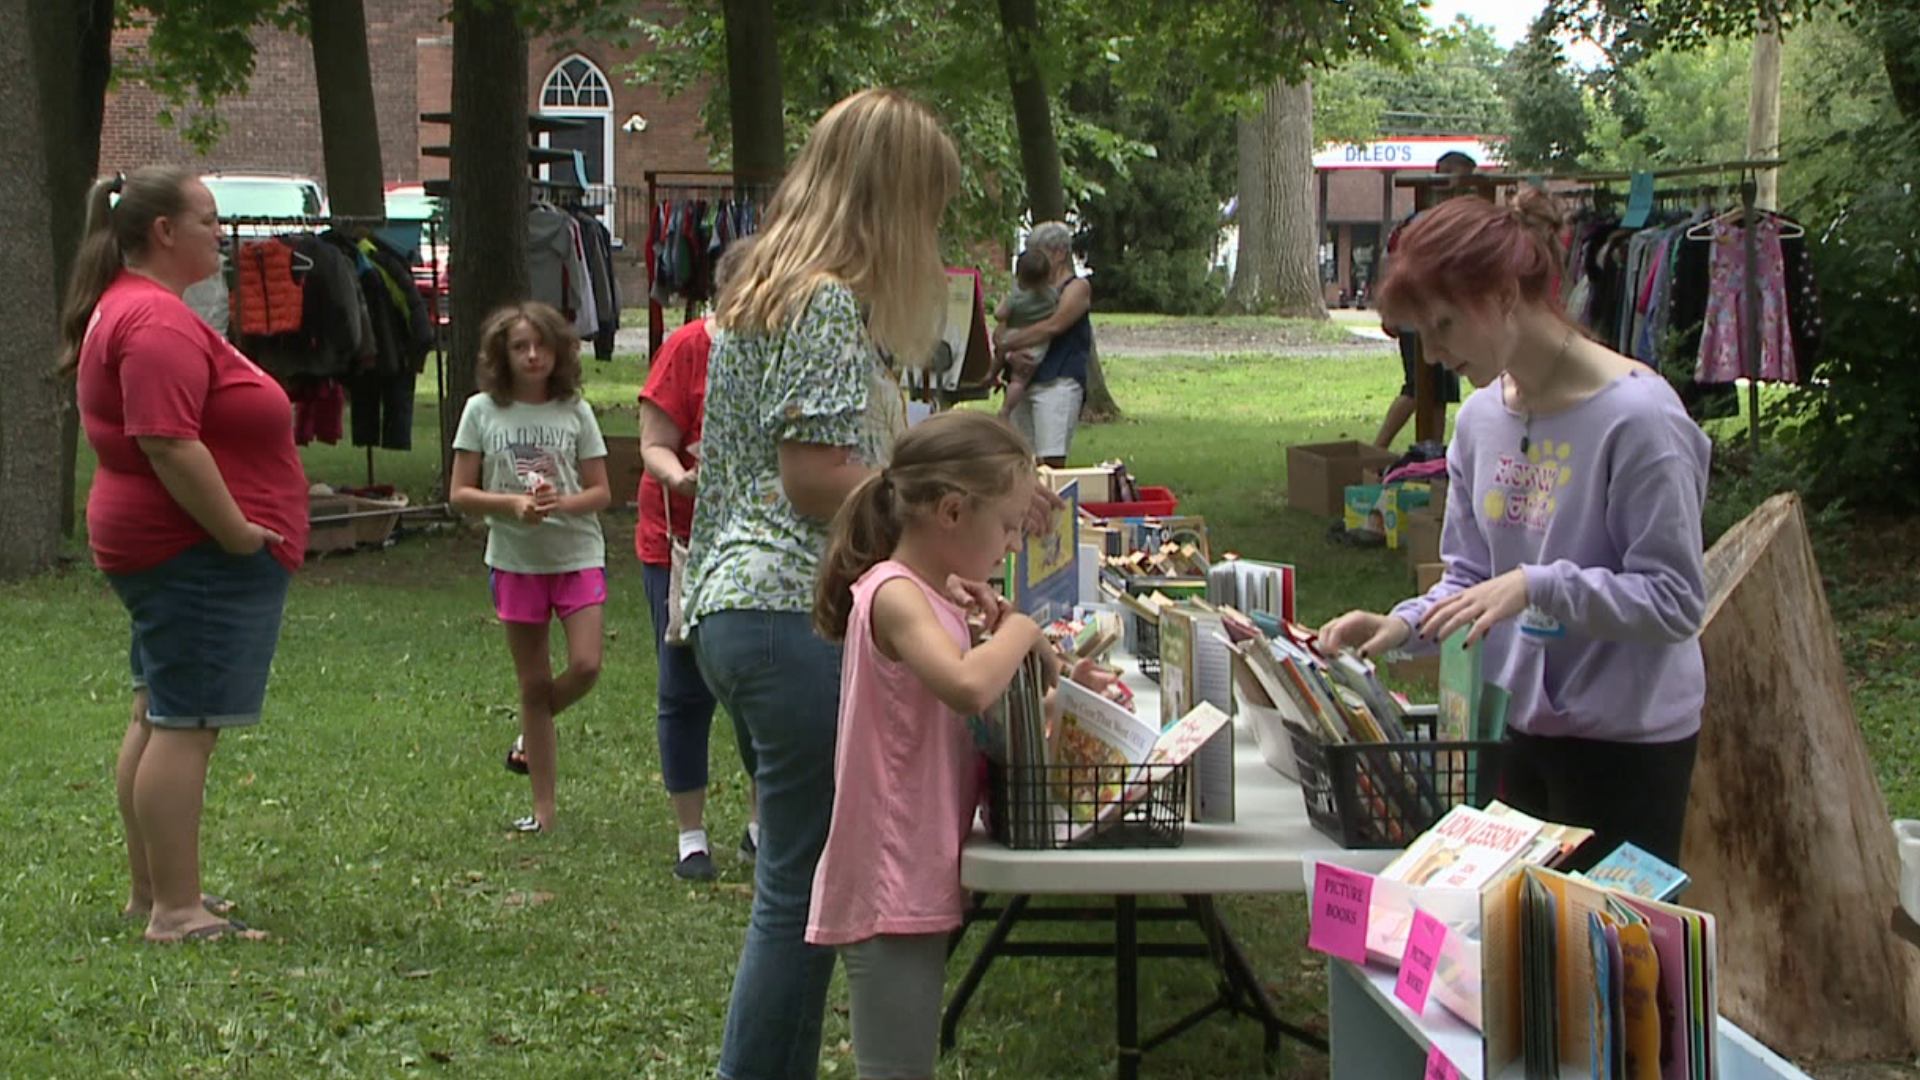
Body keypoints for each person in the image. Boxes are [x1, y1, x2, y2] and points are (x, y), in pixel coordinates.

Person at [682, 87, 990, 1080]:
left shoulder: (774, 290)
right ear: (889, 199)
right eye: (929, 206)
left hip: (741, 609)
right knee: (804, 885)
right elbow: (815, 476)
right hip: (784, 613)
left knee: (794, 873)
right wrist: (936, 510)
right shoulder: (819, 299)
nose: (933, 231)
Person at [1319, 187, 1711, 871]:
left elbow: (1676, 601)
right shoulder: (1480, 420)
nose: (1434, 356)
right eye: (1422, 337)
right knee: (1518, 960)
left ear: (1503, 294)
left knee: (1613, 970)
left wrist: (1539, 585)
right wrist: (1404, 624)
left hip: (1627, 748)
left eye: (1442, 326)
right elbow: (1473, 578)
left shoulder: (1641, 419)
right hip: (1514, 731)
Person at [61, 166, 309, 943]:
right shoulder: (156, 322)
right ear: (163, 232)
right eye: (207, 220)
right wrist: (237, 530)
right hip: (191, 551)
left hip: (162, 547)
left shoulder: (129, 309)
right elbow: (168, 443)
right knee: (184, 723)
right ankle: (176, 911)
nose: (220, 234)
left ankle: (155, 893)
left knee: (158, 710)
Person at [805, 411, 1059, 1080]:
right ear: (951, 511)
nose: (1010, 545)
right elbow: (967, 687)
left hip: (918, 864)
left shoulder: (936, 598)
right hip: (890, 874)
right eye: (1006, 526)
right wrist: (1022, 630)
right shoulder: (894, 594)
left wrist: (1012, 643)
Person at [450, 302, 611, 834]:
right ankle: (543, 812)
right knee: (533, 684)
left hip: (577, 555)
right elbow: (460, 493)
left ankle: (530, 730)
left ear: (559, 350)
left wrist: (558, 503)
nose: (532, 355)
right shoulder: (481, 411)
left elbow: (601, 492)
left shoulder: (575, 411)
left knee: (586, 666)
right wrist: (512, 505)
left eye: (541, 344)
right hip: (516, 561)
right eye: (520, 346)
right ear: (503, 354)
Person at [637, 239, 760, 881]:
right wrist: (684, 478)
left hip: (757, 545)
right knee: (683, 687)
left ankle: (762, 825)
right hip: (679, 544)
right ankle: (691, 835)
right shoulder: (688, 348)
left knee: (760, 685)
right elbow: (653, 445)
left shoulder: (787, 351)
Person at [1372, 150, 1480, 449]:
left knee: (1439, 390)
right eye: (1466, 186)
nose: (1469, 193)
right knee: (1418, 387)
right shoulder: (1428, 222)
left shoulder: (1423, 220)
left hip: (1433, 318)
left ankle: (1433, 449)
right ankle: (1377, 447)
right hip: (1419, 319)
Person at [995, 220, 1093, 467]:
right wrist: (1008, 355)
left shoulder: (1077, 288)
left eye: (1040, 251)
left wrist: (1008, 343)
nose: (1034, 258)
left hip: (1057, 381)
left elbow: (1053, 326)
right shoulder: (1023, 290)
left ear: (1060, 254)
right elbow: (1000, 329)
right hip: (1022, 381)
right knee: (1019, 460)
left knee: (1049, 461)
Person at [987, 248, 1059, 421]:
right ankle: (1006, 409)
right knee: (1019, 380)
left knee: (1000, 352)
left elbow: (999, 315)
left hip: (1014, 335)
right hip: (1036, 344)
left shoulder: (1016, 298)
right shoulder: (1052, 295)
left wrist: (1003, 301)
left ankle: (990, 375)